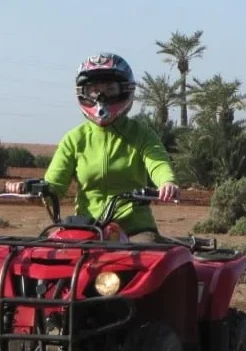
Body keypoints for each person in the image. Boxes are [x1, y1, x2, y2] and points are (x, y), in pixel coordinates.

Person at [6, 53, 179, 242]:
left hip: (134, 229)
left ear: (125, 90)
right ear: (83, 92)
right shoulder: (74, 139)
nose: (101, 97)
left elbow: (158, 163)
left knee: (146, 252)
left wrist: (167, 183)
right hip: (86, 228)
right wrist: (30, 191)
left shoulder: (142, 135)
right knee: (49, 251)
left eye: (110, 89)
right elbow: (54, 186)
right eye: (94, 90)